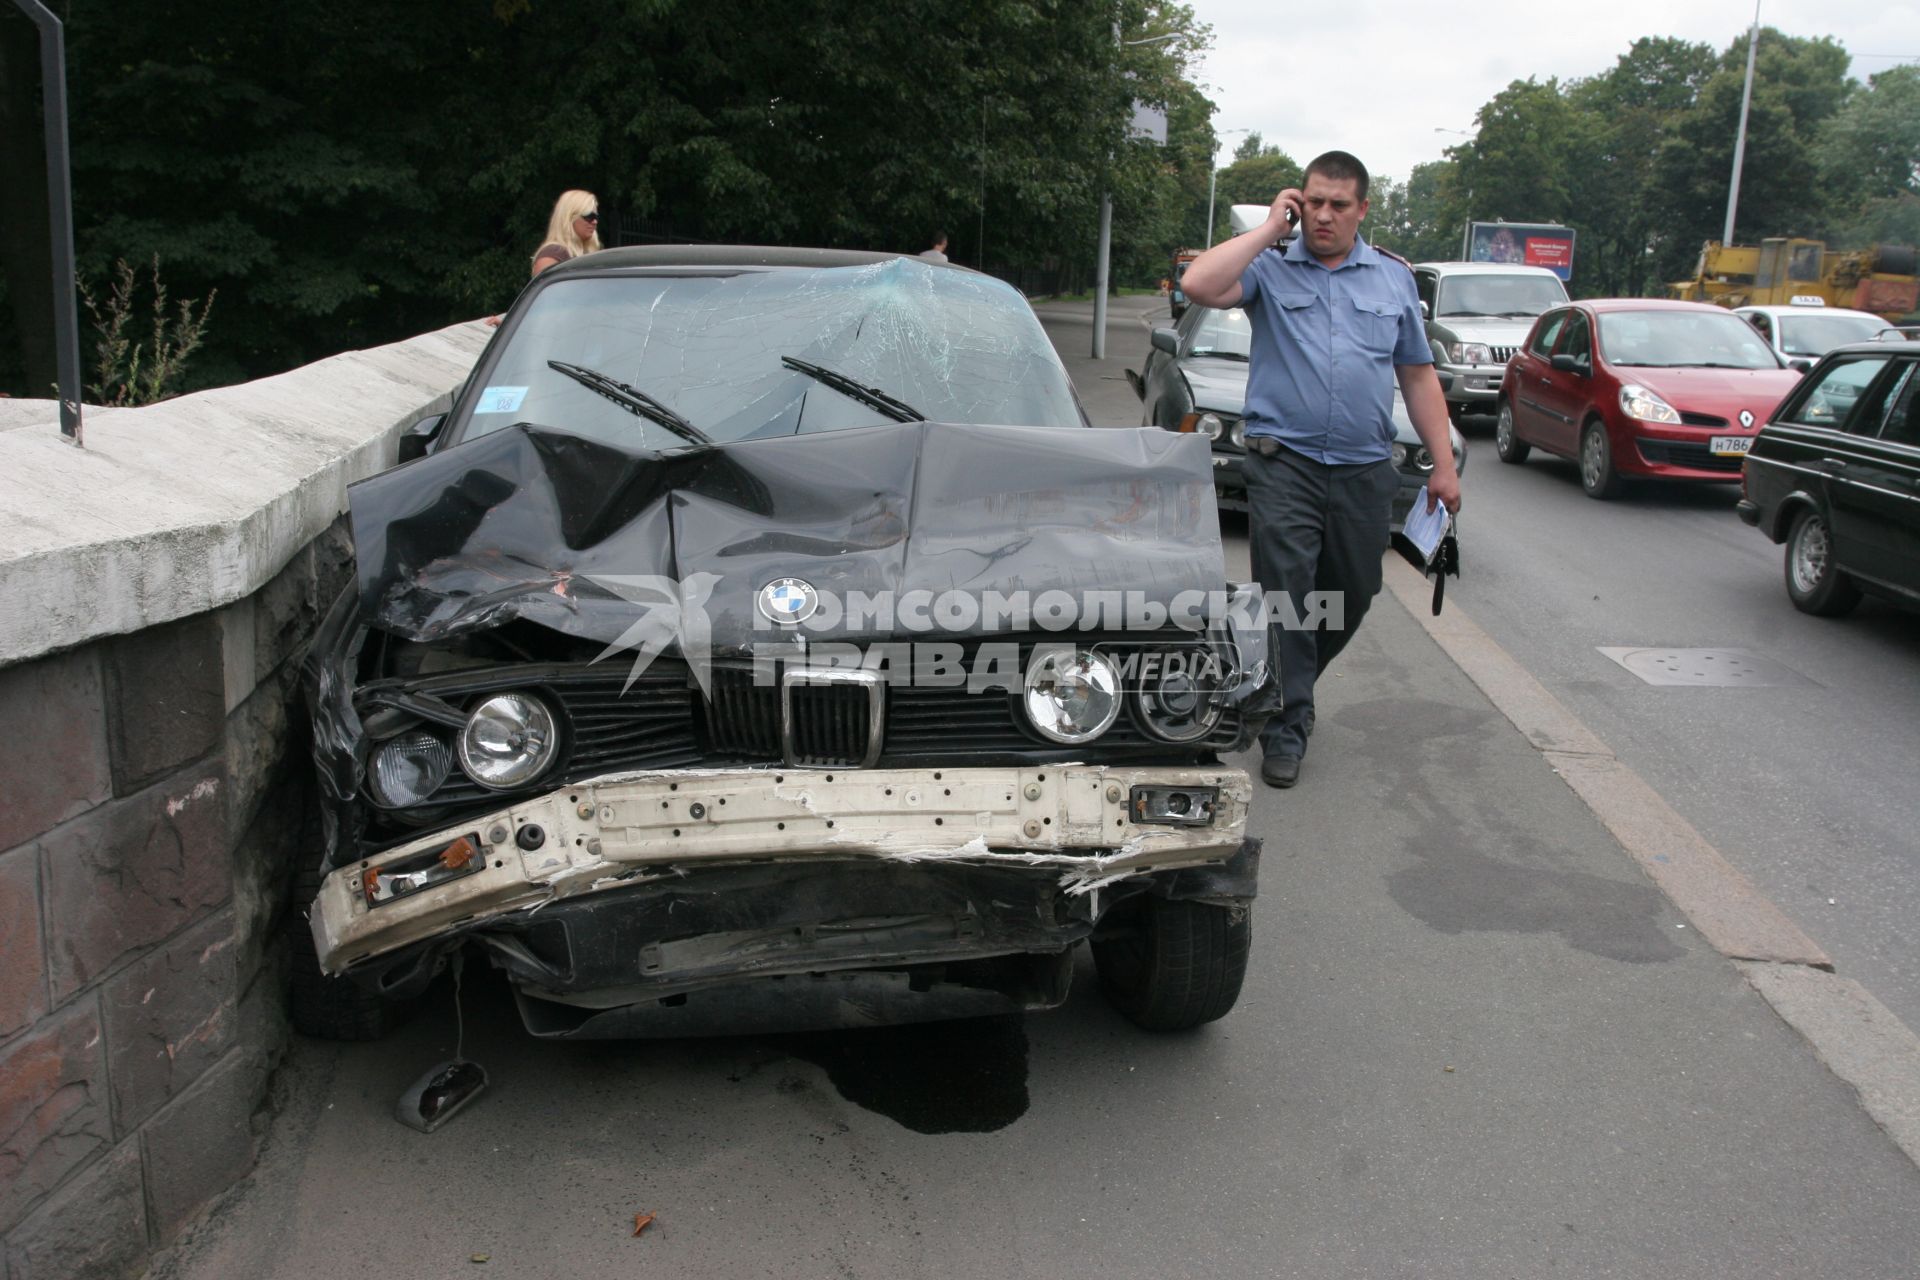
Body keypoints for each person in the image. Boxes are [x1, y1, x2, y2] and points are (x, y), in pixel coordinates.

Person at [1181, 150, 1461, 789]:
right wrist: (1269, 229)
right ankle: (1287, 723)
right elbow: (1198, 285)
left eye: (1339, 204)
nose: (1323, 215)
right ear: (1297, 202)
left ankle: (1284, 684)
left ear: (1362, 210)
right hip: (1286, 466)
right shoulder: (1271, 271)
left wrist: (1443, 466)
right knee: (1285, 598)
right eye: (1313, 202)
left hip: (1365, 470)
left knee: (1353, 594)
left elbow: (1416, 376)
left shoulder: (1393, 281)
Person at [531, 189, 603, 276]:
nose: (595, 222)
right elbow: (545, 288)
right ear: (569, 218)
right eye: (589, 216)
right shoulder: (553, 254)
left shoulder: (585, 253)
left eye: (596, 217)